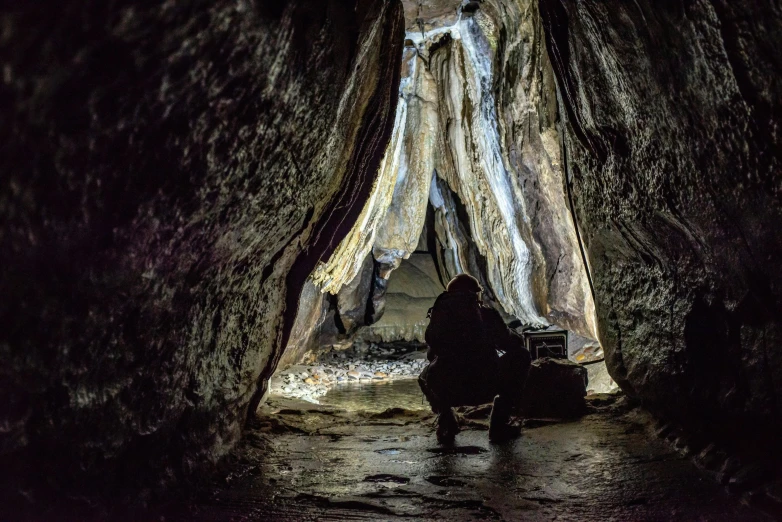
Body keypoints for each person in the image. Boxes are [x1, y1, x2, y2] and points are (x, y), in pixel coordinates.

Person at [418, 274, 531, 443]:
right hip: (486, 385)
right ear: (474, 294)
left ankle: (447, 421)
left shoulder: (439, 320)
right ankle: (499, 423)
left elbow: (431, 354)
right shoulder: (486, 315)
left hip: (449, 389)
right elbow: (513, 343)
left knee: (424, 376)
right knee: (522, 355)